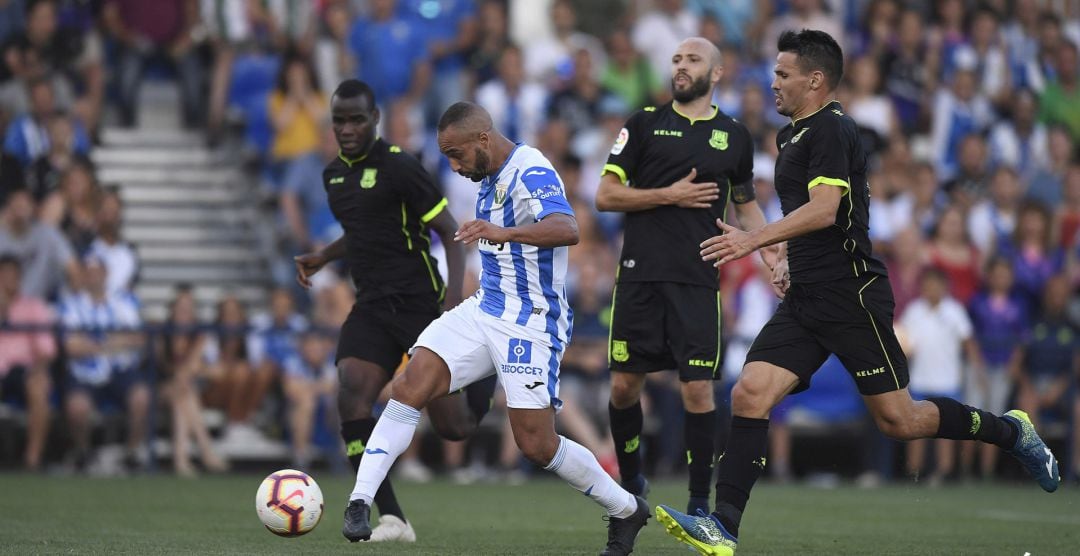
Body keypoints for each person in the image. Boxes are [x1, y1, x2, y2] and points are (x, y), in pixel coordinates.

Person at [654, 30, 1060, 556]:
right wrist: (784, 264)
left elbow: (825, 210)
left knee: (900, 421)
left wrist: (753, 240)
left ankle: (1011, 431)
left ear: (814, 80)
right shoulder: (791, 136)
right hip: (807, 300)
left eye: (782, 75)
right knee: (750, 391)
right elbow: (817, 224)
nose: (772, 82)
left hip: (853, 298)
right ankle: (723, 526)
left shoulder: (832, 130)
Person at [341, 101, 649, 555]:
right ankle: (360, 502)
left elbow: (567, 228)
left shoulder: (532, 169)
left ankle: (627, 508)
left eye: (457, 154)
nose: (454, 165)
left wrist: (506, 233)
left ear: (482, 139)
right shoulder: (486, 174)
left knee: (536, 444)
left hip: (530, 322)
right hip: (485, 308)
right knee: (410, 383)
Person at [293, 80, 492, 543]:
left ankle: (484, 375)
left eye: (356, 119)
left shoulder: (401, 167)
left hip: (421, 302)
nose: (346, 128)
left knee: (454, 428)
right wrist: (325, 255)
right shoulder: (333, 176)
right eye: (339, 120)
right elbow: (365, 231)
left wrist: (452, 301)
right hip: (372, 306)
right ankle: (390, 517)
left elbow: (449, 231)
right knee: (351, 393)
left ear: (375, 118)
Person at [594, 37, 770, 515]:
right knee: (624, 387)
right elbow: (606, 196)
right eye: (676, 59)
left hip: (698, 278)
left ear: (716, 74)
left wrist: (770, 251)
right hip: (640, 276)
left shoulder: (734, 135)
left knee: (697, 387)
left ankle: (697, 502)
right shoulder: (644, 124)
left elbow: (746, 204)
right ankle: (631, 481)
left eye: (693, 60)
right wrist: (667, 194)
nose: (681, 67)